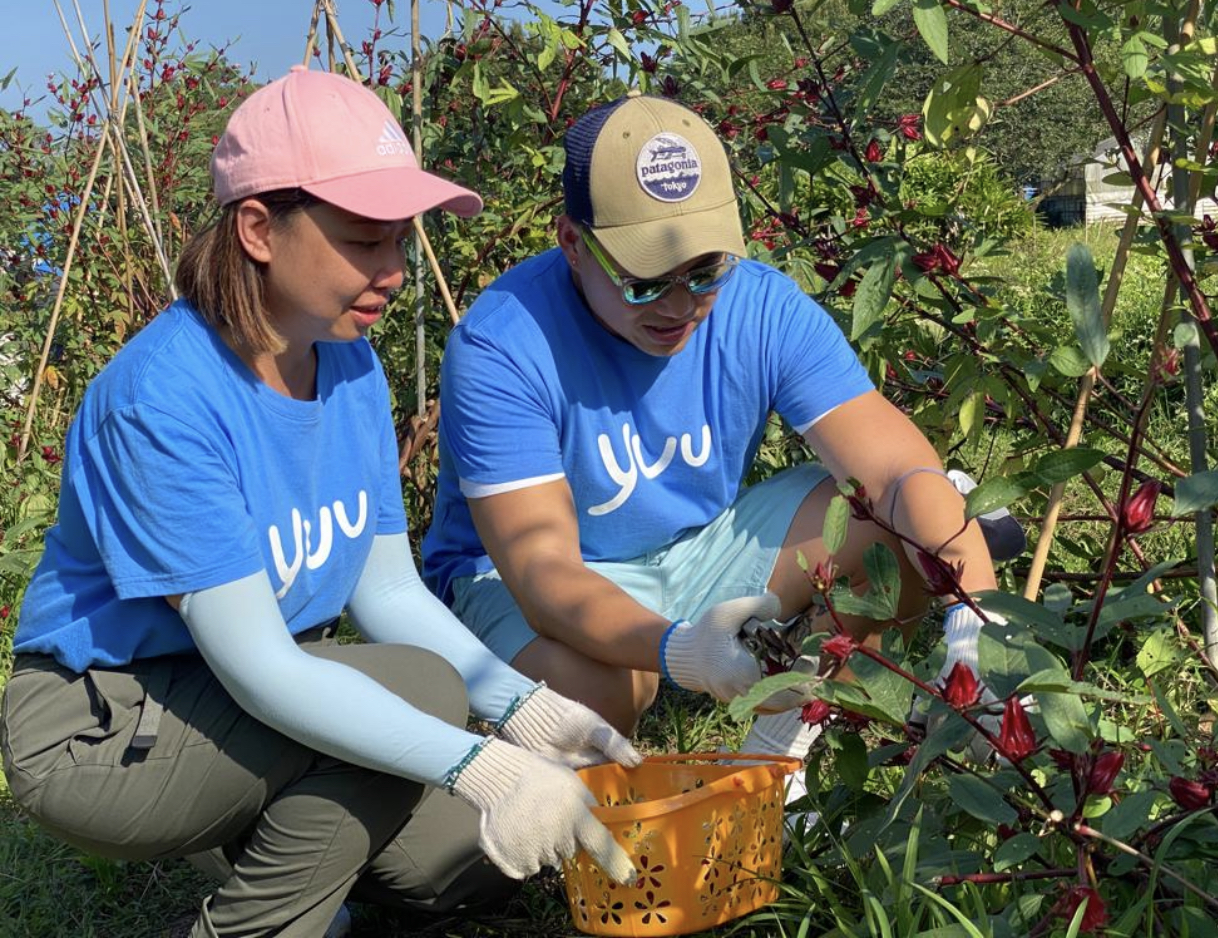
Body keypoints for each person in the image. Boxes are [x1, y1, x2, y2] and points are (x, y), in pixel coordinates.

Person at [0, 67, 639, 938]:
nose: (395, 272)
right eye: (365, 241)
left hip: (219, 691)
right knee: (420, 692)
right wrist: (484, 766)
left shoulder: (345, 359)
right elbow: (263, 668)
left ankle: (267, 832)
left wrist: (529, 710)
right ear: (259, 228)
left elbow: (386, 593)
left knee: (466, 867)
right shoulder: (164, 400)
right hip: (103, 725)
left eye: (401, 241)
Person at [421, 90, 1023, 779]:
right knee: (601, 694)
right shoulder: (503, 343)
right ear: (573, 244)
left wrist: (973, 632)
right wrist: (679, 653)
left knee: (892, 530)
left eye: (705, 269)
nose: (682, 305)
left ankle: (774, 753)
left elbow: (898, 473)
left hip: (694, 552)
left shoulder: (760, 305)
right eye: (646, 280)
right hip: (529, 578)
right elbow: (543, 572)